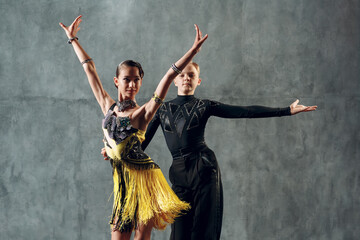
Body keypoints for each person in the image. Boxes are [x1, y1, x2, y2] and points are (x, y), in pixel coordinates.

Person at [59, 15, 208, 240]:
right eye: (127, 79)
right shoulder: (108, 107)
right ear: (117, 81)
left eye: (137, 80)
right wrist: (73, 39)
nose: (132, 84)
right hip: (122, 185)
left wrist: (193, 51)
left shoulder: (141, 114)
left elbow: (168, 77)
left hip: (144, 181)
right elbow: (89, 69)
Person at [139, 62, 318, 240]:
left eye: (191, 75)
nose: (186, 78)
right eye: (182, 75)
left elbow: (244, 111)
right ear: (174, 80)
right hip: (178, 173)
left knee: (203, 232)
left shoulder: (204, 105)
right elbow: (140, 143)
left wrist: (286, 111)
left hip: (204, 168)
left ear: (198, 81)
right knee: (179, 234)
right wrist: (117, 153)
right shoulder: (161, 109)